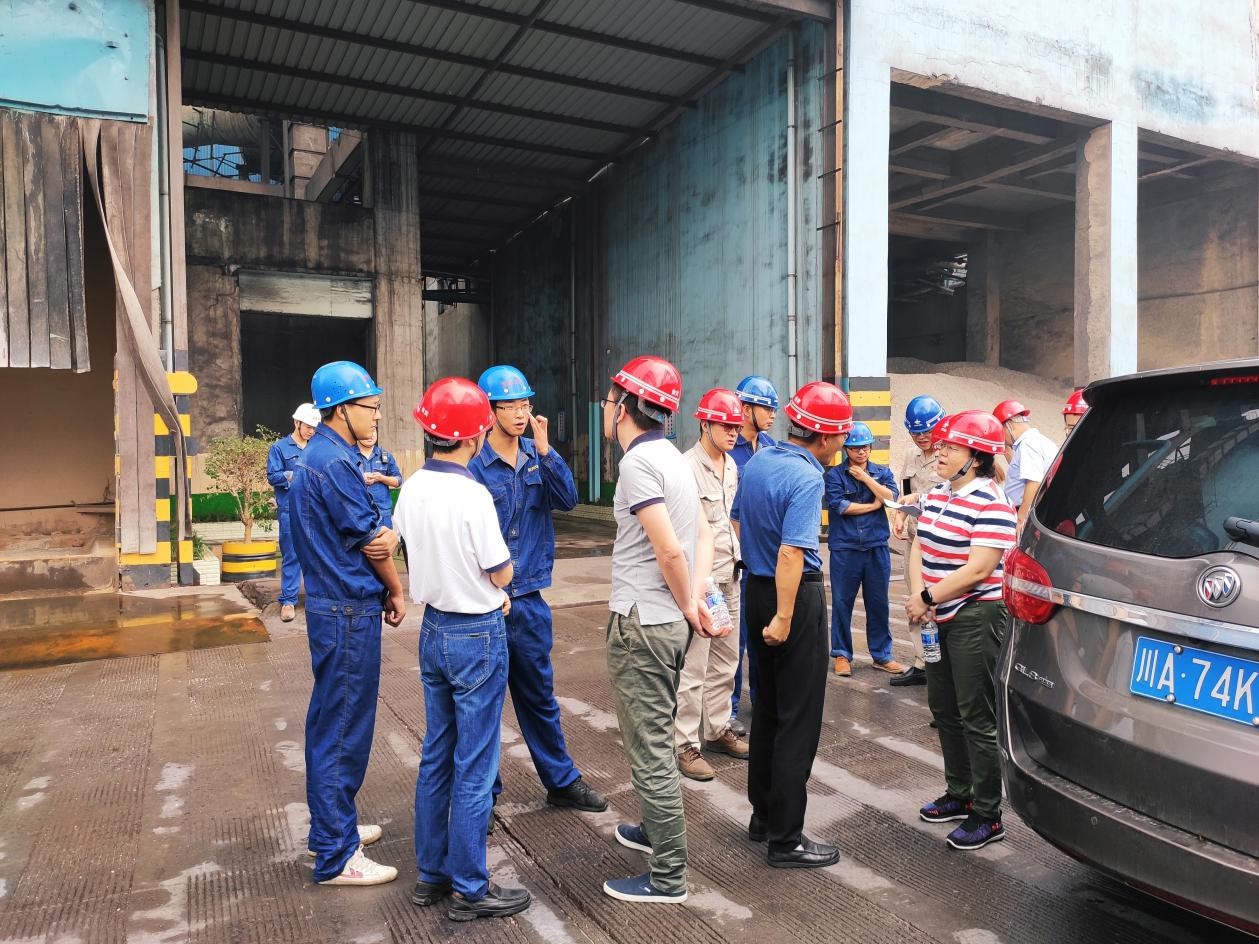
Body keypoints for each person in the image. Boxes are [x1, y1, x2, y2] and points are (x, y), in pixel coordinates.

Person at [393, 376, 532, 921]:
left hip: (433, 630)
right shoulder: (473, 493)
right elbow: (500, 570)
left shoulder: (412, 487)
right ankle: (471, 888)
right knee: (474, 764)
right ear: (475, 435)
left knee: (437, 755)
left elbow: (402, 545)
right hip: (476, 633)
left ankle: (432, 874)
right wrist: (501, 583)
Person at [601, 355, 718, 905]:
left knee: (649, 749)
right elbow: (702, 537)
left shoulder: (637, 464)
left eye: (610, 400)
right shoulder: (673, 456)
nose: (607, 408)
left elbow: (669, 549)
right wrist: (695, 598)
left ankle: (668, 876)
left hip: (643, 625)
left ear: (623, 407)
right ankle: (653, 831)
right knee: (656, 733)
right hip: (667, 622)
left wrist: (689, 601)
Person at [288, 361, 406, 886]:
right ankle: (337, 855)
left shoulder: (323, 455)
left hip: (335, 606)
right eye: (370, 408)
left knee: (334, 723)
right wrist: (396, 587)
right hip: (346, 610)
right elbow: (374, 541)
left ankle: (333, 828)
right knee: (341, 730)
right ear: (340, 410)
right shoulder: (334, 462)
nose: (376, 416)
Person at [470, 365, 608, 815]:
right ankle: (484, 797)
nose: (519, 413)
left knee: (540, 699)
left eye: (525, 404)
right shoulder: (473, 466)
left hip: (528, 601)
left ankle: (561, 781)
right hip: (487, 602)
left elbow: (568, 499)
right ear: (490, 411)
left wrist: (547, 451)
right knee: (483, 705)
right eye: (509, 406)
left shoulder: (536, 455)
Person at [731, 381, 850, 870]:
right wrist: (784, 616)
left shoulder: (759, 461)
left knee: (768, 709)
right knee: (798, 719)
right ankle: (786, 839)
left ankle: (763, 816)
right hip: (790, 597)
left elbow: (738, 522)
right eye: (841, 435)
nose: (843, 444)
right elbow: (791, 553)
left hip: (755, 589)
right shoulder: (806, 477)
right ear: (823, 436)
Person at [903, 410, 1016, 852]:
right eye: (941, 446)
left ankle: (987, 813)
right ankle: (959, 792)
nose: (940, 453)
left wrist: (928, 597)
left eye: (951, 447)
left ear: (977, 457)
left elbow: (980, 569)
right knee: (944, 708)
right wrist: (922, 598)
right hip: (936, 614)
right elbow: (919, 546)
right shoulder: (938, 494)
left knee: (976, 715)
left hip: (975, 615)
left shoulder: (992, 503)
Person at [675, 388, 749, 781]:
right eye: (725, 426)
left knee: (726, 661)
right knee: (694, 667)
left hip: (730, 574)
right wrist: (694, 586)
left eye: (736, 426)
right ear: (705, 424)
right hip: (703, 581)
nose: (733, 433)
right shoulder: (685, 468)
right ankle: (685, 744)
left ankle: (717, 728)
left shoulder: (731, 466)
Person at [825, 421, 905, 678]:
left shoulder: (882, 473)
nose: (861, 452)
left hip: (876, 547)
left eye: (865, 447)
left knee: (878, 602)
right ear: (846, 449)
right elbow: (841, 506)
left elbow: (891, 499)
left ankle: (882, 655)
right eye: (855, 448)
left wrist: (866, 478)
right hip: (845, 548)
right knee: (841, 602)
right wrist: (872, 506)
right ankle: (841, 654)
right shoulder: (834, 476)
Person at [728, 374, 780, 734]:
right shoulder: (728, 451)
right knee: (734, 642)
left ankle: (764, 702)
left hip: (768, 559)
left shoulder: (773, 449)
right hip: (736, 562)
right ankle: (728, 709)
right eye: (767, 408)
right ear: (746, 410)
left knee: (766, 637)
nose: (773, 414)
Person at [889, 395, 948, 686]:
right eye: (916, 433)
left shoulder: (950, 455)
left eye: (927, 431)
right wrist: (900, 516)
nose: (922, 438)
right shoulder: (911, 455)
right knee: (915, 600)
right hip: (915, 539)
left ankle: (944, 664)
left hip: (940, 543)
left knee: (940, 602)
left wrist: (919, 500)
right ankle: (922, 662)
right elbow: (905, 491)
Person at [267, 403, 321, 622]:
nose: (311, 431)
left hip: (315, 509)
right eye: (308, 426)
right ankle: (288, 601)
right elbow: (273, 476)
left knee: (317, 554)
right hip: (290, 509)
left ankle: (316, 598)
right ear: (297, 423)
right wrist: (293, 475)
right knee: (292, 555)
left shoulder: (317, 447)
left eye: (314, 427)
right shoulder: (280, 448)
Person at [993, 400, 1058, 530]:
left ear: (1009, 426)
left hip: (1022, 511)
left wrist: (1021, 519)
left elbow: (1033, 482)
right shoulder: (1038, 441)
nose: (1001, 438)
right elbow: (1021, 470)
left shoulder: (1028, 445)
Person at [356, 428, 402, 528]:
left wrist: (381, 478)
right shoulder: (349, 455)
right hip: (358, 515)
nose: (371, 435)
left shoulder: (385, 455)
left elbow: (398, 481)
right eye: (367, 431)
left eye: (373, 431)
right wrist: (360, 477)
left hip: (383, 515)